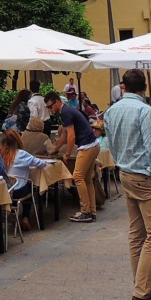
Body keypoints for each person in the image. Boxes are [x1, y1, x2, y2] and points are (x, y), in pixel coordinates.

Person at [104, 69, 151, 300]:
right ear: (144, 87)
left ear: (123, 86)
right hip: (145, 177)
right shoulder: (145, 110)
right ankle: (141, 293)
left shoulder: (112, 111)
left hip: (125, 173)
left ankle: (145, 287)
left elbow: (111, 145)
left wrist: (122, 163)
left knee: (137, 234)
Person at [45, 90, 99, 223]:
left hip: (87, 146)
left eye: (50, 106)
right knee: (87, 179)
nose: (50, 110)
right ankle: (92, 211)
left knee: (78, 177)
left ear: (57, 102)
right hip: (94, 145)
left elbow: (71, 136)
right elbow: (64, 135)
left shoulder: (65, 112)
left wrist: (67, 154)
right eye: (48, 108)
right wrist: (55, 149)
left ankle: (85, 211)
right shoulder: (67, 111)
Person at [0, 129, 48, 233]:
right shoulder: (22, 154)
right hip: (18, 191)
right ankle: (25, 217)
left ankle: (12, 212)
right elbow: (41, 164)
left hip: (4, 191)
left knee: (13, 189)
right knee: (29, 185)